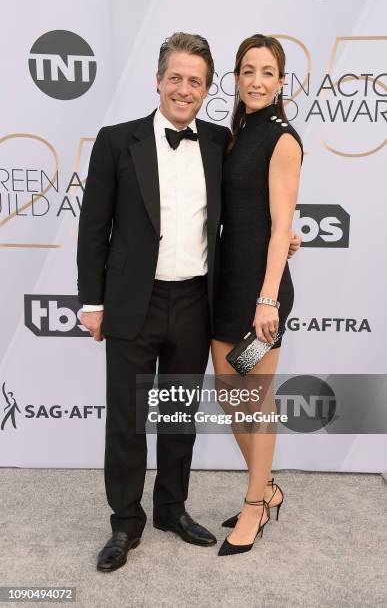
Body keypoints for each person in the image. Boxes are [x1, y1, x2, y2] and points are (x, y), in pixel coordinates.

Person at [77, 32, 301, 572]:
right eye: (175, 78)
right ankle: (125, 524)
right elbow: (93, 228)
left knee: (179, 415)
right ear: (158, 81)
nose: (184, 88)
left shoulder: (218, 142)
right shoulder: (115, 140)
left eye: (194, 81)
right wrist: (92, 302)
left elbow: (259, 208)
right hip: (134, 302)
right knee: (128, 419)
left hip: (199, 300)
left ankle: (172, 510)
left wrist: (286, 235)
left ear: (206, 89)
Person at [211, 34, 303, 556]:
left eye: (267, 72)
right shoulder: (238, 131)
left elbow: (279, 225)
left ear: (281, 81)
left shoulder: (283, 138)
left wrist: (267, 299)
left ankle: (254, 506)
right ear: (237, 77)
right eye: (248, 70)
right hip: (226, 281)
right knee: (230, 396)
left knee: (255, 401)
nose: (257, 80)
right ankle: (266, 487)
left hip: (259, 292)